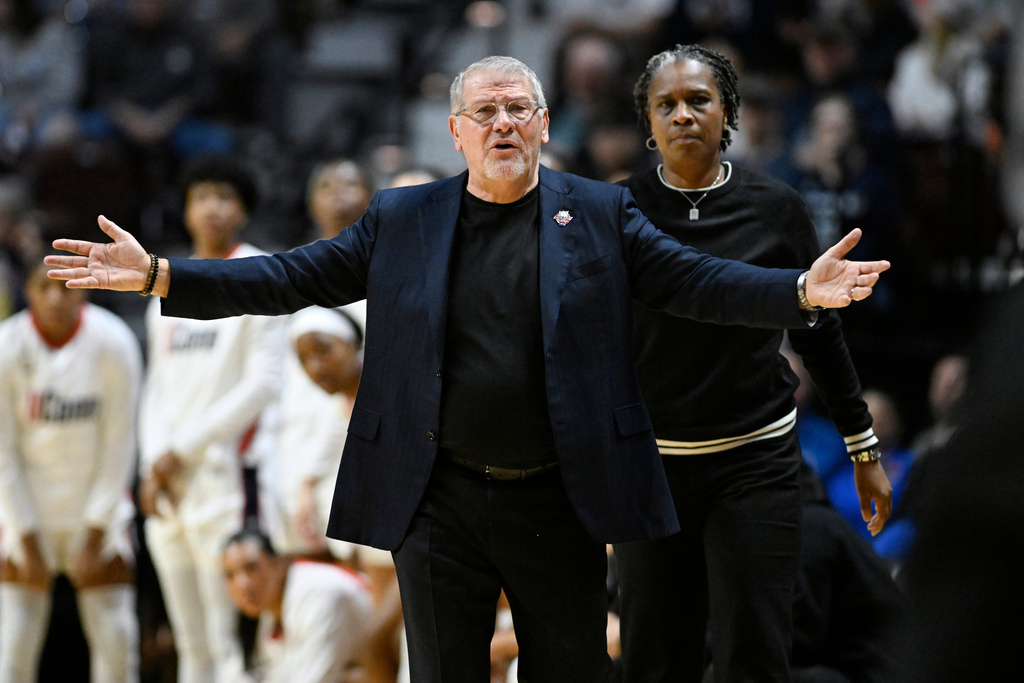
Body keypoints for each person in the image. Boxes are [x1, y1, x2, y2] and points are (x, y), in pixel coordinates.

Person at [44, 55, 889, 683]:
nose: (503, 124)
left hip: (559, 500)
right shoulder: (404, 217)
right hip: (438, 496)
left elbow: (697, 281)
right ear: (456, 132)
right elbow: (290, 275)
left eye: (519, 107)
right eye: (484, 111)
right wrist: (163, 274)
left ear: (545, 123)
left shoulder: (598, 212)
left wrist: (797, 291)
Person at [612, 44, 892, 683]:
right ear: (649, 125)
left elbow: (819, 334)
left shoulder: (776, 206)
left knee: (756, 657)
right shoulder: (616, 212)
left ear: (727, 113)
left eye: (699, 100)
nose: (684, 115)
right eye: (667, 105)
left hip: (756, 464)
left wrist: (864, 449)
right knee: (656, 661)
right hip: (650, 467)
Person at [137, 155, 284, 683]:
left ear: (242, 211)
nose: (212, 208)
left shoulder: (258, 272)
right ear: (185, 210)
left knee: (226, 647)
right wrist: (153, 462)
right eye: (202, 197)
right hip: (170, 484)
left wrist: (183, 450)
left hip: (227, 478)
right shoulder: (165, 283)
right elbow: (155, 387)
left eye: (225, 197)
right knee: (190, 645)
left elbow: (264, 384)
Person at [0, 255, 142, 683]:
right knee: (13, 647)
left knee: (116, 644)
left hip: (94, 508)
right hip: (27, 510)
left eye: (65, 287)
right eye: (44, 287)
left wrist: (98, 530)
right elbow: (2, 450)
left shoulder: (114, 341)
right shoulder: (7, 345)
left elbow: (121, 444)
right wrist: (23, 530)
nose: (55, 297)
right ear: (27, 291)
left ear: (84, 289)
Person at [221, 527, 372, 683]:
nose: (242, 584)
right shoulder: (269, 608)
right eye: (230, 575)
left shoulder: (318, 594)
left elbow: (317, 679)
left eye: (251, 568)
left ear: (279, 564)